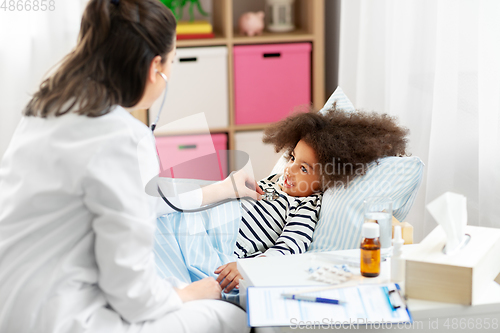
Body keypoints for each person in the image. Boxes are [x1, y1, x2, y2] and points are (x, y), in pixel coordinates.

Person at [0, 1, 260, 332]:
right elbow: (135, 296)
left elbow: (151, 196)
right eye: (172, 60)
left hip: (9, 305)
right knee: (234, 317)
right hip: (64, 320)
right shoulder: (122, 138)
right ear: (155, 68)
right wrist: (199, 291)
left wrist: (225, 188)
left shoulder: (46, 106)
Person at [214, 107, 409, 292]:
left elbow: (290, 247)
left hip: (220, 252)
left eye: (304, 168)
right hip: (210, 223)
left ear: (327, 180)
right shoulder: (274, 181)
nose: (289, 169)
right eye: (292, 158)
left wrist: (249, 267)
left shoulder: (306, 206)